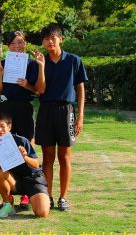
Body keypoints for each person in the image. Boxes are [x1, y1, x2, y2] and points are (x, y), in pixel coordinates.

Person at [35, 23, 87, 211]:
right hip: (45, 110)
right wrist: (41, 66)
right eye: (46, 39)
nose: (50, 42)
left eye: (53, 38)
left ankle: (63, 198)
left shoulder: (74, 60)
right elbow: (38, 90)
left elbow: (80, 89)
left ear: (60, 39)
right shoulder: (40, 62)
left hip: (66, 111)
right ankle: (47, 196)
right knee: (47, 157)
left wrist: (80, 116)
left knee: (64, 157)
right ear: (43, 42)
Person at [0, 31, 45, 208]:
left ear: (26, 44)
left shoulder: (31, 64)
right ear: (8, 46)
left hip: (24, 107)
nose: (17, 46)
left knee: (26, 147)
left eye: (21, 42)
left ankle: (26, 191)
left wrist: (27, 85)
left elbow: (38, 90)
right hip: (7, 108)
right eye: (14, 43)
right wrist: (0, 75)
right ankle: (8, 192)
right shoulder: (1, 64)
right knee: (5, 148)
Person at [0, 113, 50, 218]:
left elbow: (36, 165)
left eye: (2, 126)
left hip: (33, 179)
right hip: (16, 180)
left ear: (9, 127)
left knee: (42, 213)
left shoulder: (22, 140)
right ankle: (8, 204)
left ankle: (35, 197)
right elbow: (5, 167)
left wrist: (25, 157)